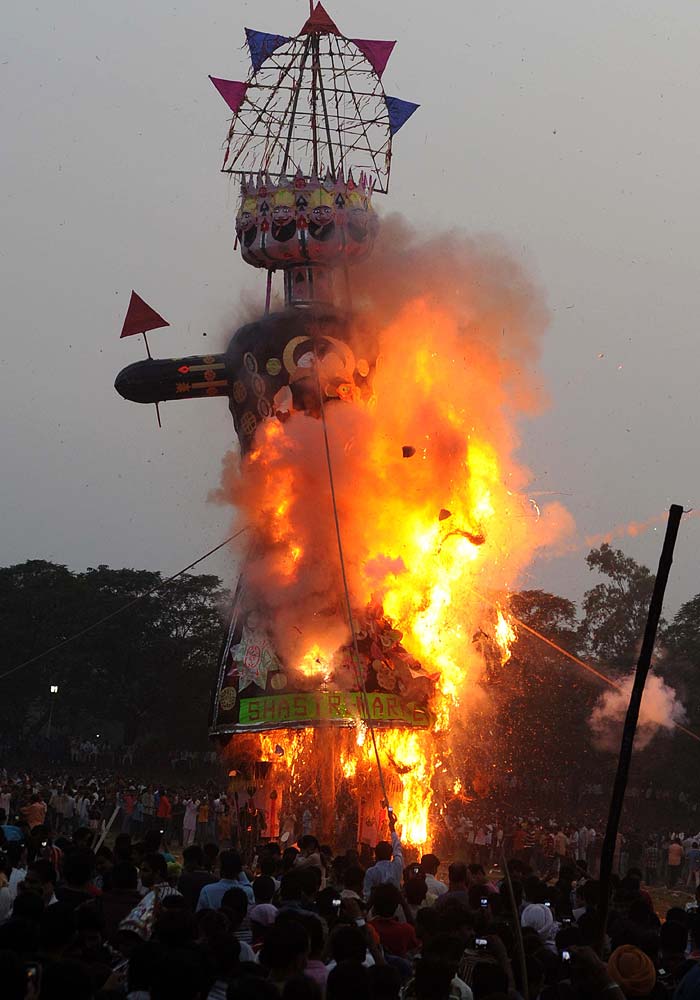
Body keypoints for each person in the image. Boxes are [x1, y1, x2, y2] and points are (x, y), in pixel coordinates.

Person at [368, 883, 419, 958]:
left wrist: (370, 902)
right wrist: (403, 903)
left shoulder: (368, 929)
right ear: (397, 905)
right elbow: (416, 933)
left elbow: (357, 922)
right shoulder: (406, 930)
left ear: (374, 905)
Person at [363, 810, 403, 898]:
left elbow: (367, 896)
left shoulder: (371, 872)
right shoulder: (397, 867)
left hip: (376, 910)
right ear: (391, 855)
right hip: (394, 909)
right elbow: (397, 847)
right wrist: (392, 827)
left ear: (375, 856)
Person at [178, 844, 217, 911]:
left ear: (193, 861)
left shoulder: (184, 879)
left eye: (186, 861)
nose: (184, 864)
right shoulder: (215, 879)